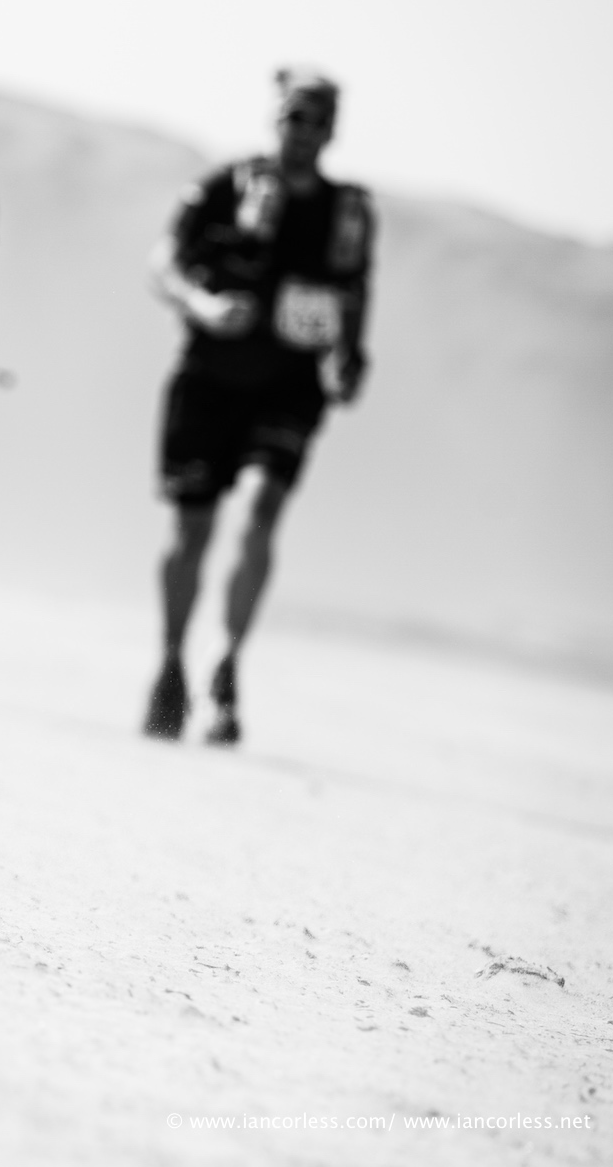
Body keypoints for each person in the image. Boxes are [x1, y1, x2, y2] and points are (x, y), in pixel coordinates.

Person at [142, 68, 375, 743]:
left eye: (316, 120)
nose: (303, 131)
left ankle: (226, 665)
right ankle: (170, 663)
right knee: (191, 530)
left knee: (264, 507)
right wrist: (204, 305)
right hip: (209, 380)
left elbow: (355, 292)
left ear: (332, 131)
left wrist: (351, 356)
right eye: (294, 116)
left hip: (290, 388)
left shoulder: (348, 213)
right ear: (276, 118)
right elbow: (162, 263)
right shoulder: (226, 186)